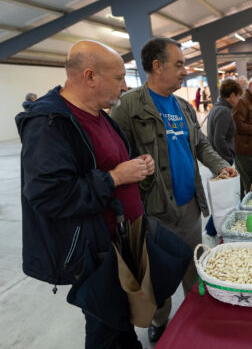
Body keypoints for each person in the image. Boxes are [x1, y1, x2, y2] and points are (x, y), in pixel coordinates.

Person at [16, 40, 154, 348]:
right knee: (106, 329)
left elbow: (104, 163)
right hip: (94, 251)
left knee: (121, 323)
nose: (124, 86)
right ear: (90, 76)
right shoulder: (50, 124)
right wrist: (115, 177)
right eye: (119, 78)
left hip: (119, 240)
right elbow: (48, 194)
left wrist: (134, 167)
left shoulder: (99, 114)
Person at [111, 37, 236, 342]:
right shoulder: (130, 107)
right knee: (159, 278)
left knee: (193, 269)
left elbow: (201, 144)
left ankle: (198, 317)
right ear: (158, 66)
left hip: (190, 206)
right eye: (179, 64)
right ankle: (160, 320)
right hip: (155, 211)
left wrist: (219, 164)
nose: (184, 71)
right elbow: (113, 155)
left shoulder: (183, 106)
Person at [207, 78, 242, 164]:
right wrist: (229, 157)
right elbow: (218, 139)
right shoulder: (224, 111)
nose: (239, 99)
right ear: (233, 96)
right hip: (223, 160)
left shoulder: (216, 107)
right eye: (239, 96)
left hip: (217, 158)